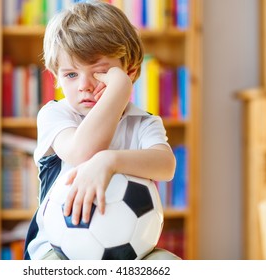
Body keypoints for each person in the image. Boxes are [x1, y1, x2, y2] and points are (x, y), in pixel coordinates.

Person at [24, 0, 178, 260]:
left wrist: (111, 160)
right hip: (57, 249)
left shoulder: (143, 123)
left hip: (131, 249)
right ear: (56, 77)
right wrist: (117, 91)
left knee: (170, 264)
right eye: (71, 75)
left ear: (130, 72)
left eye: (101, 72)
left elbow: (167, 166)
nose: (84, 85)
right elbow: (81, 152)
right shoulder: (55, 115)